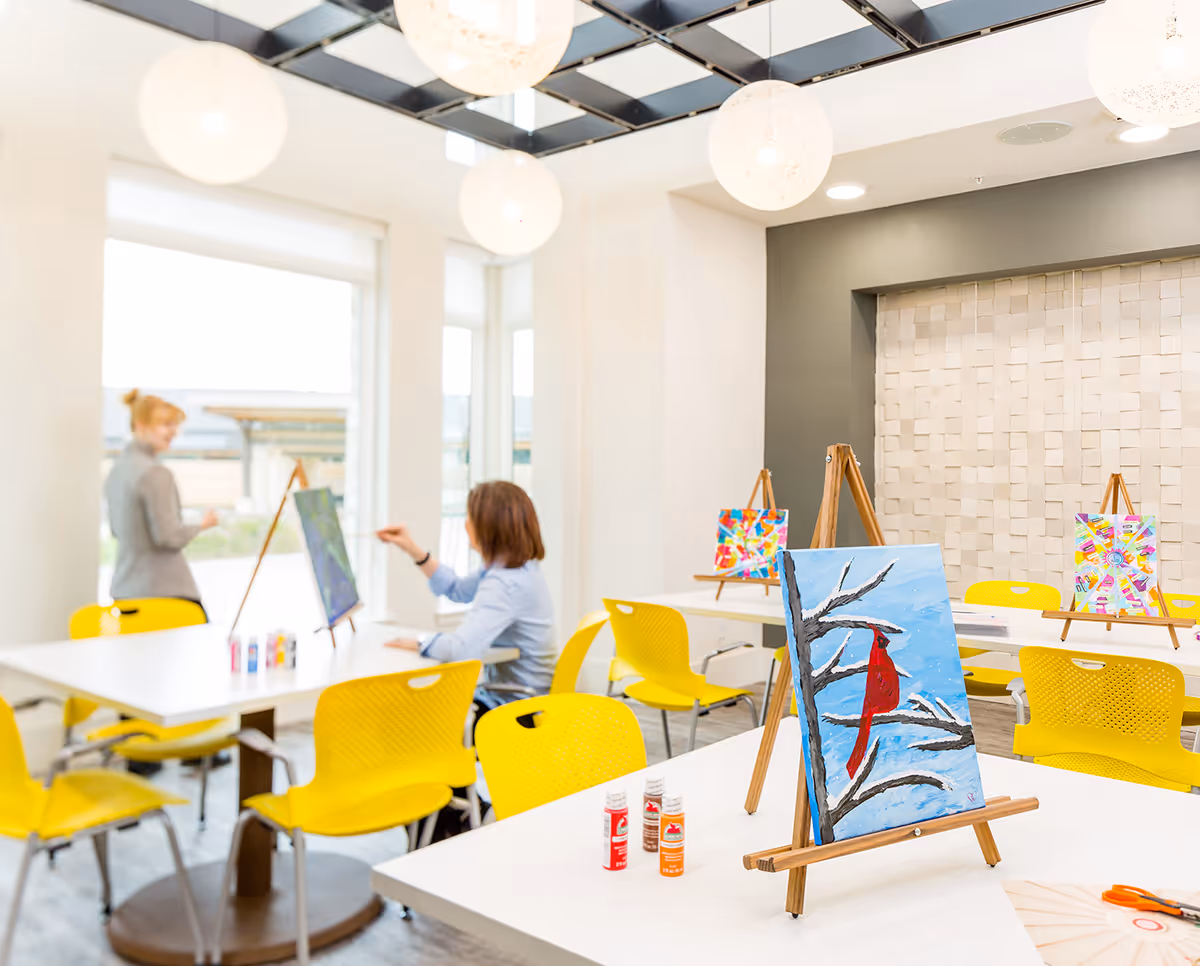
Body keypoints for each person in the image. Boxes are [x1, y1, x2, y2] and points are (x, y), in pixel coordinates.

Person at [377, 480, 556, 710]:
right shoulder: (517, 569)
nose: (465, 524)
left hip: (513, 711)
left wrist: (421, 642)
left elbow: (459, 650)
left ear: (487, 526)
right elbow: (457, 589)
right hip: (527, 699)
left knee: (414, 709)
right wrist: (412, 548)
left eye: (469, 517)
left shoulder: (504, 584)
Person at [106, 390, 218, 608]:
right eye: (166, 424)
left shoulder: (116, 470)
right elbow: (168, 536)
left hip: (124, 593)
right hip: (164, 594)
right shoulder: (156, 473)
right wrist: (203, 524)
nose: (174, 432)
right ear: (141, 425)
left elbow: (115, 530)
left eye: (175, 425)